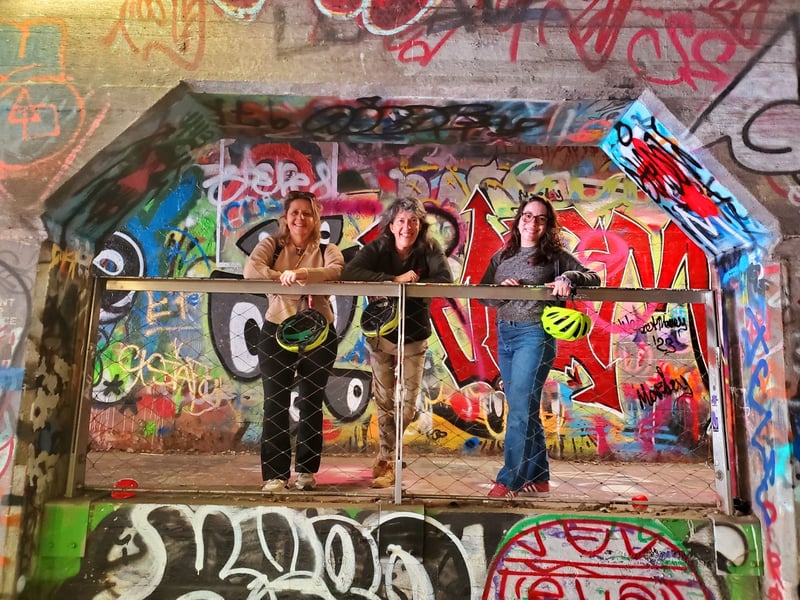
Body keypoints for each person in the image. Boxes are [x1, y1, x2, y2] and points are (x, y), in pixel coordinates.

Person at [479, 192, 600, 498]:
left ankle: (509, 480)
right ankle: (539, 476)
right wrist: (500, 291)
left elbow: (593, 277)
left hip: (534, 336)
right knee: (525, 407)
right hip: (505, 335)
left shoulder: (555, 257)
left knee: (520, 409)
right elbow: (482, 296)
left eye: (541, 219)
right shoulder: (501, 257)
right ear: (519, 220)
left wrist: (568, 279)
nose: (532, 223)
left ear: (547, 225)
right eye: (528, 216)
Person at [342, 197, 453, 488]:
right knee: (384, 400)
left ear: (420, 225)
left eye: (413, 221)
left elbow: (445, 279)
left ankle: (387, 456)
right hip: (380, 333)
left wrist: (415, 286)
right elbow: (350, 272)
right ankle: (390, 460)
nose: (407, 227)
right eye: (401, 221)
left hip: (415, 334)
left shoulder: (429, 248)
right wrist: (394, 280)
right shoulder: (378, 248)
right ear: (391, 225)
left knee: (408, 404)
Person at [243, 190, 345, 492]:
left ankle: (306, 471)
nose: (301, 218)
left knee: (311, 400)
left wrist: (302, 274)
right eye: (295, 213)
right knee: (275, 402)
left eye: (307, 213)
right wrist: (281, 277)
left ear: (315, 219)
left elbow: (336, 271)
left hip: (319, 334)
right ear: (286, 218)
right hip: (276, 330)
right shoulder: (271, 245)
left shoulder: (327, 249)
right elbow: (251, 270)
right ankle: (275, 475)